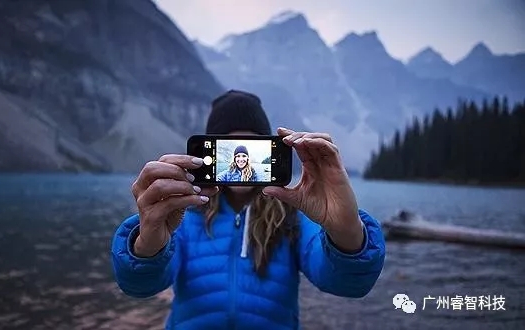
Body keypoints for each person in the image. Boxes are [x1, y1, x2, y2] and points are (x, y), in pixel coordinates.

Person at [111, 90, 386, 329]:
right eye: (233, 151)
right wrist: (147, 245)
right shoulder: (183, 212)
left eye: (249, 150)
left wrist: (347, 232)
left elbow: (348, 285)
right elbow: (140, 286)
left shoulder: (292, 215)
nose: (242, 159)